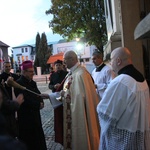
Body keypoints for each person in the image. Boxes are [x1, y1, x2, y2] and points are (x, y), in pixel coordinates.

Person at [41, 50, 100, 150]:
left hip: (78, 115)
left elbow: (77, 98)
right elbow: (67, 93)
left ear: (72, 59)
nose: (64, 63)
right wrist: (50, 96)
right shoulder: (72, 73)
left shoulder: (80, 74)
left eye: (65, 60)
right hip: (72, 112)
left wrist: (63, 95)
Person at [97, 47, 150, 149]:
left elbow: (105, 113)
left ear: (118, 61)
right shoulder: (141, 78)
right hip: (138, 133)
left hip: (122, 139)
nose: (110, 64)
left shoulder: (120, 81)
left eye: (111, 60)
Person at [14, 60, 47, 150]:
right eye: (31, 71)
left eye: (33, 71)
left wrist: (41, 101)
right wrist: (37, 104)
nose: (33, 73)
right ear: (24, 72)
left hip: (35, 117)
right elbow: (24, 100)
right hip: (26, 118)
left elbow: (38, 94)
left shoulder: (32, 82)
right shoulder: (18, 84)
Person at [49, 59, 68, 145]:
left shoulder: (66, 74)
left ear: (62, 66)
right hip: (56, 99)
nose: (58, 66)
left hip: (65, 98)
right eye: (56, 65)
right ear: (54, 66)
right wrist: (54, 86)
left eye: (59, 65)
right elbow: (50, 85)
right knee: (57, 116)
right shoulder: (53, 75)